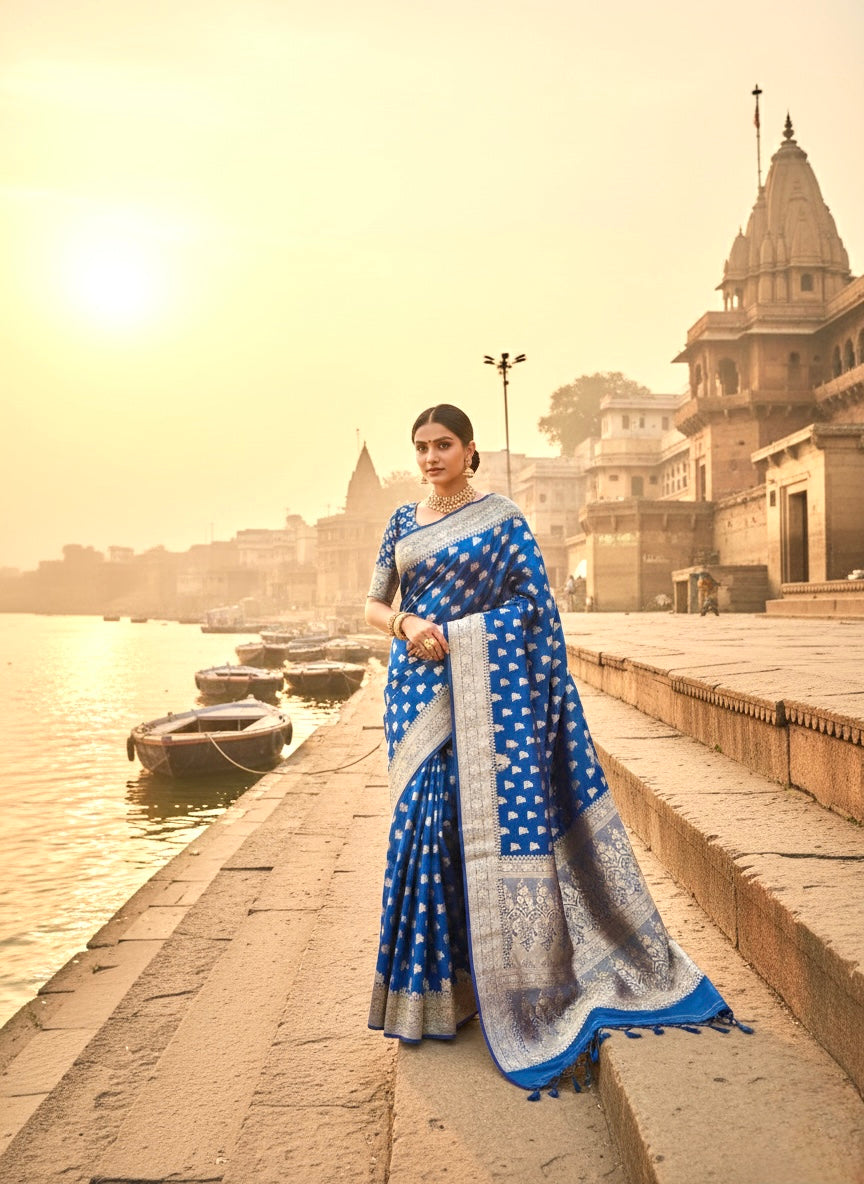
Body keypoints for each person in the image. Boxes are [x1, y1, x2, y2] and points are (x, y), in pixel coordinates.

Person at [365, 404, 743, 1095]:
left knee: (463, 829)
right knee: (421, 830)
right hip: (417, 694)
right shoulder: (400, 522)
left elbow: (538, 611)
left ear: (469, 450)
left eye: (442, 445)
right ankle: (434, 995)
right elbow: (371, 606)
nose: (430, 457)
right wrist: (406, 620)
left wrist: (468, 635)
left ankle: (497, 986)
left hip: (485, 690)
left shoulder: (503, 518)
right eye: (420, 447)